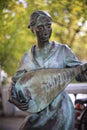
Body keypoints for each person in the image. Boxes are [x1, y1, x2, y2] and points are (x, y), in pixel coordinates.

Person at [9, 11, 87, 130]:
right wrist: (12, 95)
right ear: (32, 29)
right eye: (40, 27)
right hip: (38, 109)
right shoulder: (27, 57)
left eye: (48, 26)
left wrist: (84, 70)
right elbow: (15, 81)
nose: (45, 30)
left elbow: (79, 75)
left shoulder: (63, 51)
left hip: (61, 108)